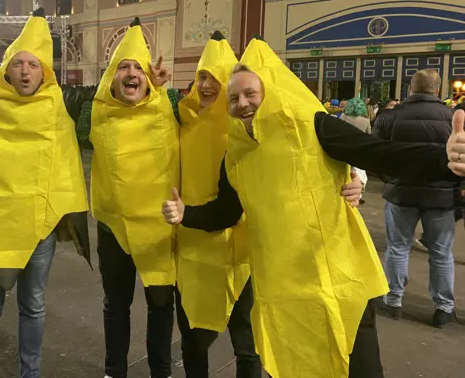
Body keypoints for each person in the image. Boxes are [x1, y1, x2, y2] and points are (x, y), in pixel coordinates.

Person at [162, 39, 458, 378]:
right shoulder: (234, 157)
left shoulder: (313, 126)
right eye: (234, 98)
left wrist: (443, 160)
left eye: (250, 94)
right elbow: (225, 213)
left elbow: (378, 153)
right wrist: (187, 214)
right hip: (284, 297)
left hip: (337, 287)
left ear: (269, 91)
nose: (242, 104)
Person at [0, 8, 90, 377]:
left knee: (33, 307)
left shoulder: (59, 105)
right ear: (6, 67)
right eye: (18, 63)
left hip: (39, 226)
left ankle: (29, 374)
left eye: (33, 64)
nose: (24, 71)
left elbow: (112, 99)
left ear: (44, 71)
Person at [76, 17, 178, 378]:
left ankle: (160, 373)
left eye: (138, 67)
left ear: (149, 77)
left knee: (161, 307)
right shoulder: (94, 112)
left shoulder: (171, 105)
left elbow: (215, 119)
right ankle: (113, 372)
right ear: (111, 79)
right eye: (123, 67)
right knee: (116, 306)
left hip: (159, 228)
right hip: (113, 228)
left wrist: (352, 171)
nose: (131, 73)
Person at [176, 31, 260, 378]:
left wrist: (352, 180)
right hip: (195, 245)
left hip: (242, 252)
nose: (207, 85)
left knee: (247, 342)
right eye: (201, 77)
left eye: (215, 77)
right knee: (194, 338)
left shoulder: (251, 129)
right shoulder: (185, 125)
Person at [371, 69, 458, 328]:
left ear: (411, 89)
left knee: (397, 247)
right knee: (441, 253)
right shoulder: (453, 118)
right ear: (438, 90)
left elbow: (375, 155)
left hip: (401, 193)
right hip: (441, 197)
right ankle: (443, 309)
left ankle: (393, 300)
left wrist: (391, 178)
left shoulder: (389, 117)